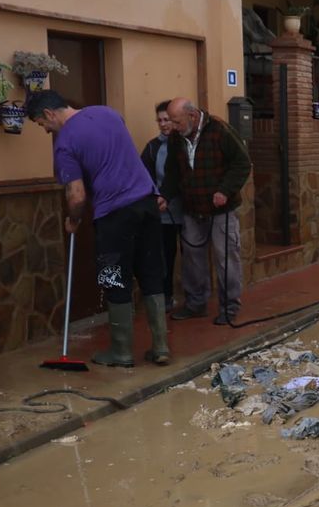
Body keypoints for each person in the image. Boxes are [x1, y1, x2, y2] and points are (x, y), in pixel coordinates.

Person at [26, 90, 171, 367]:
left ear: (48, 114)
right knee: (152, 273)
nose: (45, 130)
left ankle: (121, 352)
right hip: (148, 204)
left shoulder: (65, 143)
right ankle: (161, 347)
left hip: (114, 214)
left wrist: (74, 219)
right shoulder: (108, 113)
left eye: (40, 124)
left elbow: (77, 195)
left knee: (114, 278)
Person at [160, 97, 252, 326]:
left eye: (177, 121)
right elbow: (172, 171)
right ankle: (195, 304)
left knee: (226, 259)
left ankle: (229, 307)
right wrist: (164, 196)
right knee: (192, 259)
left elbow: (242, 162)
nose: (172, 126)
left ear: (192, 116)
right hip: (192, 209)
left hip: (222, 210)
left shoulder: (220, 130)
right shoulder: (176, 138)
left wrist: (225, 191)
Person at [140, 100, 182, 310]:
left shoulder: (185, 142)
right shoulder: (152, 148)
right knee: (166, 256)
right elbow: (144, 178)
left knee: (192, 256)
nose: (164, 124)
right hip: (164, 214)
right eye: (160, 120)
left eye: (167, 120)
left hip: (188, 210)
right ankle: (166, 297)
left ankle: (195, 297)